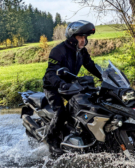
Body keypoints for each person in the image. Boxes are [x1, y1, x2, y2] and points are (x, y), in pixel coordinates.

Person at [42, 20, 102, 156]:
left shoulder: (81, 51)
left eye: (85, 37)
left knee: (88, 105)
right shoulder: (58, 50)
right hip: (54, 86)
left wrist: (104, 76)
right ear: (72, 37)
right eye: (80, 37)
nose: (83, 40)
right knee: (60, 112)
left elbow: (90, 65)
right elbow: (50, 73)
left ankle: (85, 134)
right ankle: (52, 141)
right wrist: (60, 84)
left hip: (70, 84)